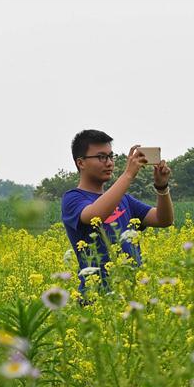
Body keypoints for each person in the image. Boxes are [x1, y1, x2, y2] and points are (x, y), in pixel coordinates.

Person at [60, 130, 175, 305]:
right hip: (96, 300)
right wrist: (128, 175)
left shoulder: (124, 200)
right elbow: (95, 215)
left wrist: (162, 187)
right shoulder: (73, 199)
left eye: (111, 156)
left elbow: (163, 219)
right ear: (81, 162)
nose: (109, 163)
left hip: (131, 297)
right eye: (101, 157)